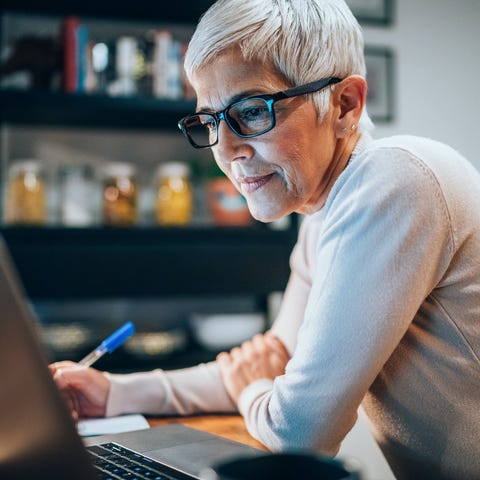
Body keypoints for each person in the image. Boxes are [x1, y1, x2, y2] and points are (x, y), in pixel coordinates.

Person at [50, 1, 480, 478]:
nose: (226, 149)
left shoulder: (394, 180)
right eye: (211, 121)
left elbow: (301, 432)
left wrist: (253, 389)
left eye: (252, 111)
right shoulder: (323, 211)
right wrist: (111, 392)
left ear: (345, 105)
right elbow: (276, 357)